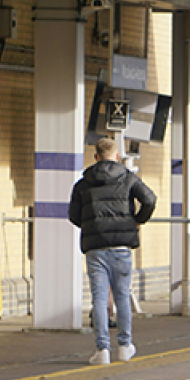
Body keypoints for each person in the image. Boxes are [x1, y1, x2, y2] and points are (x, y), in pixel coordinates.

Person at [68, 136, 156, 364]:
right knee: (122, 296)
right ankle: (125, 346)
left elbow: (73, 216)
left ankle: (102, 351)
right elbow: (150, 199)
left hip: (96, 248)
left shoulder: (83, 183)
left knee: (98, 298)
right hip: (121, 246)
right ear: (117, 156)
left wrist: (90, 226)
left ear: (96, 157)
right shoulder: (128, 178)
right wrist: (137, 221)